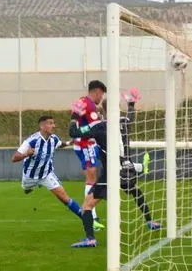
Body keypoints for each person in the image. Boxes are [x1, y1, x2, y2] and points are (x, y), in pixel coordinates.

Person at [69, 87, 161, 248]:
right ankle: (149, 221)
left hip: (111, 174)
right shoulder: (125, 122)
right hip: (128, 169)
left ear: (102, 111)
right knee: (135, 191)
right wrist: (131, 103)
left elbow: (73, 132)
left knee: (87, 206)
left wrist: (75, 114)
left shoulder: (98, 127)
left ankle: (90, 238)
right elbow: (131, 114)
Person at [12, 116, 82, 220]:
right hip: (30, 176)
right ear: (42, 126)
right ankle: (31, 186)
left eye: (53, 123)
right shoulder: (32, 141)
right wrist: (26, 154)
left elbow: (59, 144)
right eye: (50, 123)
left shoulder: (53, 138)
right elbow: (14, 158)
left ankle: (87, 219)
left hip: (47, 174)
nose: (53, 126)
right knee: (26, 189)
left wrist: (69, 143)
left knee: (64, 198)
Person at [72, 80, 107, 231]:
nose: (101, 98)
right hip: (86, 144)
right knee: (92, 178)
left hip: (83, 144)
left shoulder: (82, 102)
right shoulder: (89, 104)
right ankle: (91, 215)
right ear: (97, 91)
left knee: (93, 177)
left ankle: (92, 214)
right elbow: (95, 127)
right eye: (102, 94)